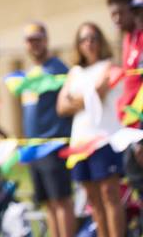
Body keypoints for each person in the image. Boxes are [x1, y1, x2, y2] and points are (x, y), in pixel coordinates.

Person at [57, 22, 125, 237]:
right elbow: (61, 107)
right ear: (78, 45)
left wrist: (76, 99)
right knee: (93, 200)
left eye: (93, 37)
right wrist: (87, 97)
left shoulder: (109, 65)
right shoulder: (75, 72)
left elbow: (100, 92)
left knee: (110, 194)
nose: (89, 43)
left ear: (101, 40)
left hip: (105, 139)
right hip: (80, 143)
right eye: (84, 39)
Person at [18, 21, 74, 237]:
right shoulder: (31, 73)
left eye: (38, 40)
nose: (34, 45)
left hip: (53, 145)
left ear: (46, 41)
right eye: (30, 41)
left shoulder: (58, 69)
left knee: (61, 201)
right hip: (34, 148)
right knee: (48, 203)